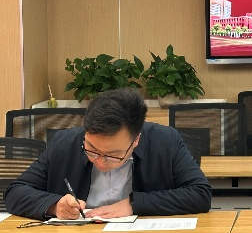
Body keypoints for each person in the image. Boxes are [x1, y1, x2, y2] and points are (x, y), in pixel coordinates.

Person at [6, 87, 212, 220]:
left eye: (113, 155)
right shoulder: (65, 143)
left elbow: (200, 193)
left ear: (136, 140)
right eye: (92, 150)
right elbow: (16, 192)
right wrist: (54, 206)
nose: (100, 162)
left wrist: (135, 204)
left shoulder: (164, 142)